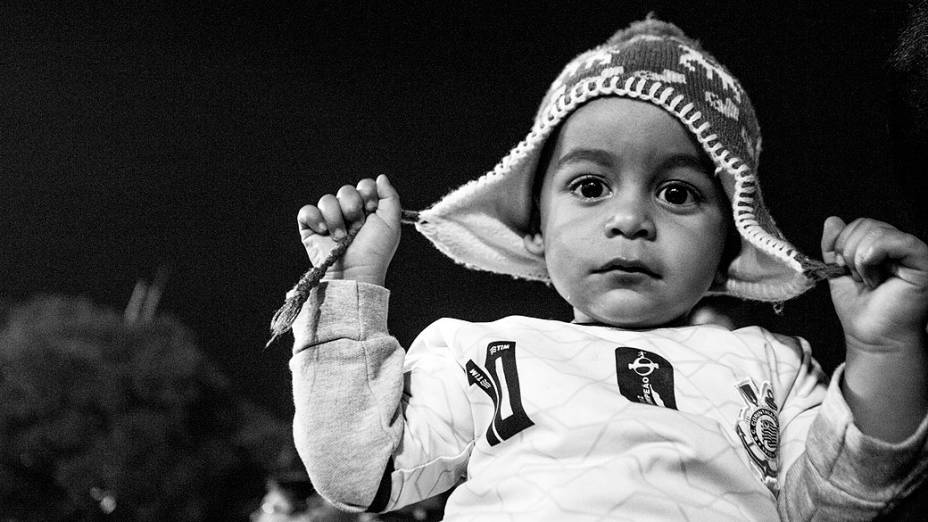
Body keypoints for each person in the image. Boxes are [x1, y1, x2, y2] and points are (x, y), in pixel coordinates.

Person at [286, 17, 928, 520]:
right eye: (591, 186)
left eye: (677, 194)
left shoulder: (774, 367)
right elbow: (358, 471)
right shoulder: (480, 352)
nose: (630, 219)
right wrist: (350, 288)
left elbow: (838, 502)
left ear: (731, 245)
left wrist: (883, 346)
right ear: (535, 229)